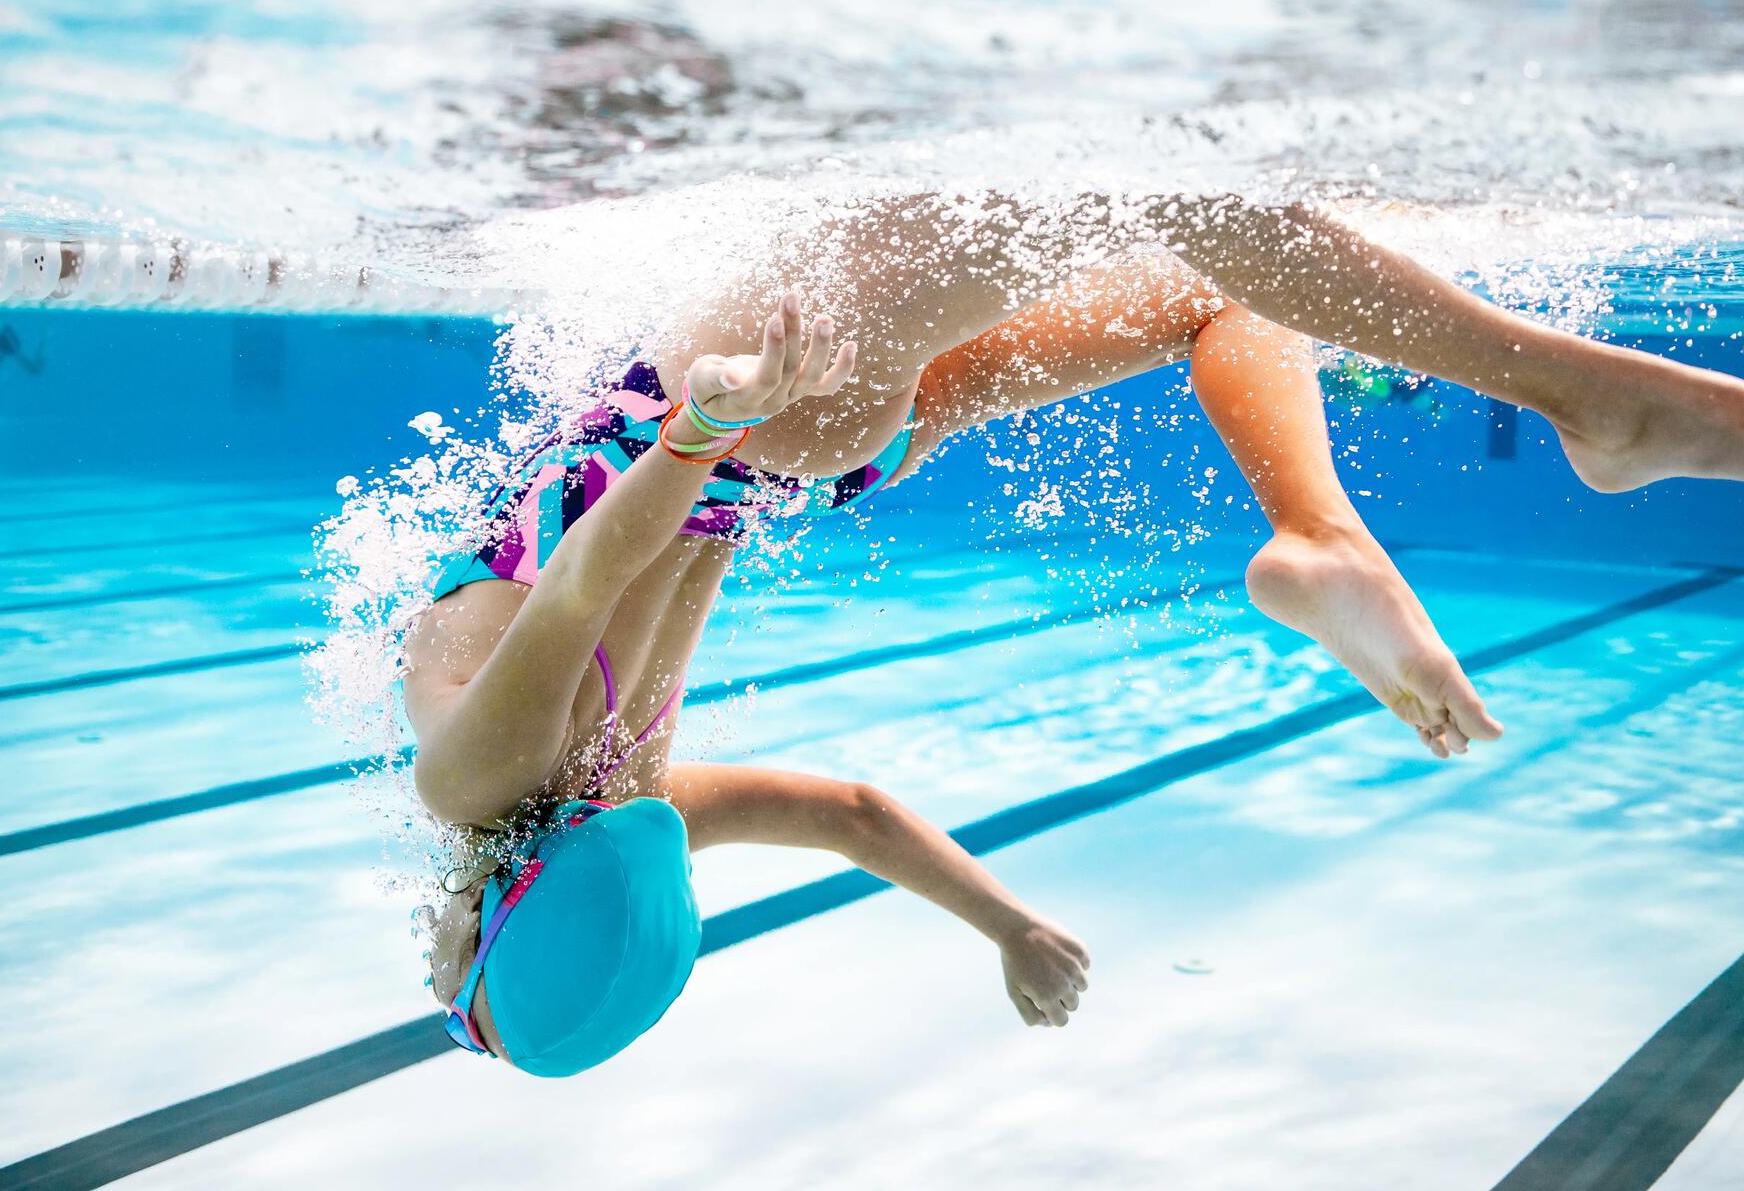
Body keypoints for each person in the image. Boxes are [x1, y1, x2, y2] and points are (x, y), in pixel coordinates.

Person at [408, 194, 1744, 1073]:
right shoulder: (471, 783)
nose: (429, 964)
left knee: (1195, 294)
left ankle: (1316, 531)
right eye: (454, 994)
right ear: (497, 925)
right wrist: (714, 414)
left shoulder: (626, 800)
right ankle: (1595, 403)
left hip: (797, 453)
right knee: (1135, 186)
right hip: (737, 416)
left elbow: (855, 815)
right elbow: (587, 578)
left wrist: (1011, 929)